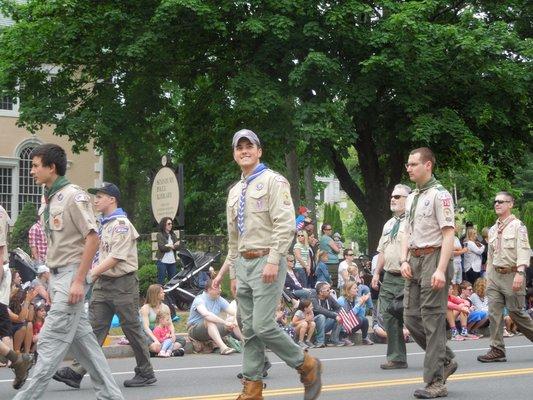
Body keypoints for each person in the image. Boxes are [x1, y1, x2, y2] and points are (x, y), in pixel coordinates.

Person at [213, 129, 321, 400]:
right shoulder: (235, 191)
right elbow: (233, 238)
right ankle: (252, 389)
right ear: (234, 153)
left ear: (259, 151)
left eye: (250, 146)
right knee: (249, 330)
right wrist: (234, 274)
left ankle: (306, 364)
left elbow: (285, 226)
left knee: (262, 326)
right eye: (240, 147)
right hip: (244, 265)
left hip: (266, 261)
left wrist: (274, 260)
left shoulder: (274, 181)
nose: (244, 151)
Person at [14, 143, 124, 400]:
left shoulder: (75, 196)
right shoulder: (50, 198)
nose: (32, 171)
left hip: (72, 277)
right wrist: (52, 282)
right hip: (59, 278)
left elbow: (93, 238)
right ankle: (111, 396)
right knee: (86, 347)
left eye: (35, 165)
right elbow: (58, 245)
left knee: (49, 345)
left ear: (51, 168)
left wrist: (77, 281)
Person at [53, 182, 155, 389]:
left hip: (122, 284)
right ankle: (76, 372)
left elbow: (116, 257)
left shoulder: (121, 224)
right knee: (93, 329)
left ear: (112, 199)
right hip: (103, 283)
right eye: (95, 196)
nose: (95, 200)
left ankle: (145, 371)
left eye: (100, 196)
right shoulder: (103, 224)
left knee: (131, 328)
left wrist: (89, 275)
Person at [400, 147, 458, 399]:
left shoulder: (440, 195)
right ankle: (445, 359)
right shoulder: (412, 196)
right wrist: (404, 259)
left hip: (434, 257)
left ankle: (436, 382)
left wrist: (441, 270)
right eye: (408, 164)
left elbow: (448, 234)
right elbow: (407, 231)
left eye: (413, 164)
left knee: (433, 321)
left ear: (428, 166)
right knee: (411, 317)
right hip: (414, 259)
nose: (409, 168)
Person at [477, 191, 533, 363]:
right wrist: (488, 276)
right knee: (494, 313)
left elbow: (524, 250)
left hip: (512, 274)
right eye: (495, 201)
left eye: (501, 201)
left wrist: (520, 272)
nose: (497, 204)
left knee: (516, 313)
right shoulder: (493, 229)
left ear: (511, 204)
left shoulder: (518, 226)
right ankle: (497, 349)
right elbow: (491, 255)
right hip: (495, 276)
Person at [371, 183, 412, 369]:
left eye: (398, 197)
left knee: (414, 317)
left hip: (408, 276)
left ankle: (440, 355)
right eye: (392, 197)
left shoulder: (414, 221)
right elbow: (382, 251)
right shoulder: (389, 224)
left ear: (408, 200)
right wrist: (376, 273)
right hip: (389, 276)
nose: (393, 200)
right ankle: (397, 357)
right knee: (388, 315)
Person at [187, 278, 241, 355]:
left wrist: (234, 321)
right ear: (209, 290)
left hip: (212, 328)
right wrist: (225, 322)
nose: (220, 290)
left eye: (220, 288)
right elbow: (207, 315)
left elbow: (234, 312)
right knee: (209, 321)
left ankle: (247, 344)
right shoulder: (199, 299)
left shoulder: (219, 299)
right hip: (194, 330)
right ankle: (223, 348)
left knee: (233, 319)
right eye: (217, 288)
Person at [140, 284, 183, 355]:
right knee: (154, 345)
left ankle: (162, 351)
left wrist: (172, 334)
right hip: (150, 335)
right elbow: (146, 328)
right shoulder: (145, 308)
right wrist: (156, 340)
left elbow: (170, 324)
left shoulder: (165, 307)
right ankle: (169, 350)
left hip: (163, 334)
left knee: (181, 340)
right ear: (155, 295)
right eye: (161, 292)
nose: (164, 293)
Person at [337, 281, 374, 345]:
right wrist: (359, 304)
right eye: (355, 288)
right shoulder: (341, 300)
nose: (357, 290)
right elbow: (347, 316)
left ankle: (364, 338)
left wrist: (362, 303)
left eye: (357, 288)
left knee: (364, 319)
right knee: (360, 319)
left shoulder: (356, 299)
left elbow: (361, 315)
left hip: (351, 323)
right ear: (348, 290)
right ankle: (343, 337)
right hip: (342, 325)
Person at [310, 281, 344, 347]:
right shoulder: (313, 298)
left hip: (325, 324)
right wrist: (334, 315)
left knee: (339, 316)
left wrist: (336, 315)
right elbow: (318, 309)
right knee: (321, 316)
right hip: (313, 325)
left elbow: (339, 308)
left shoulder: (329, 297)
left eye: (330, 289)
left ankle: (333, 339)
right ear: (321, 292)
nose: (330, 291)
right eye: (328, 290)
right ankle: (319, 341)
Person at [155, 217, 180, 284]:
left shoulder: (173, 235)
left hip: (172, 261)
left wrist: (169, 245)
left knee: (172, 282)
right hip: (162, 261)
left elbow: (178, 247)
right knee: (161, 281)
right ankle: (159, 294)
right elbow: (162, 248)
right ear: (164, 224)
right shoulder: (159, 235)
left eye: (171, 224)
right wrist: (172, 246)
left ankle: (170, 294)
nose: (171, 225)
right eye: (169, 224)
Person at [319, 223, 341, 287]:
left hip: (326, 262)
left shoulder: (322, 238)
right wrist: (338, 248)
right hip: (332, 263)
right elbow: (337, 250)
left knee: (328, 281)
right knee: (333, 281)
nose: (330, 230)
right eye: (328, 229)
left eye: (331, 229)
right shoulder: (328, 239)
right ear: (324, 230)